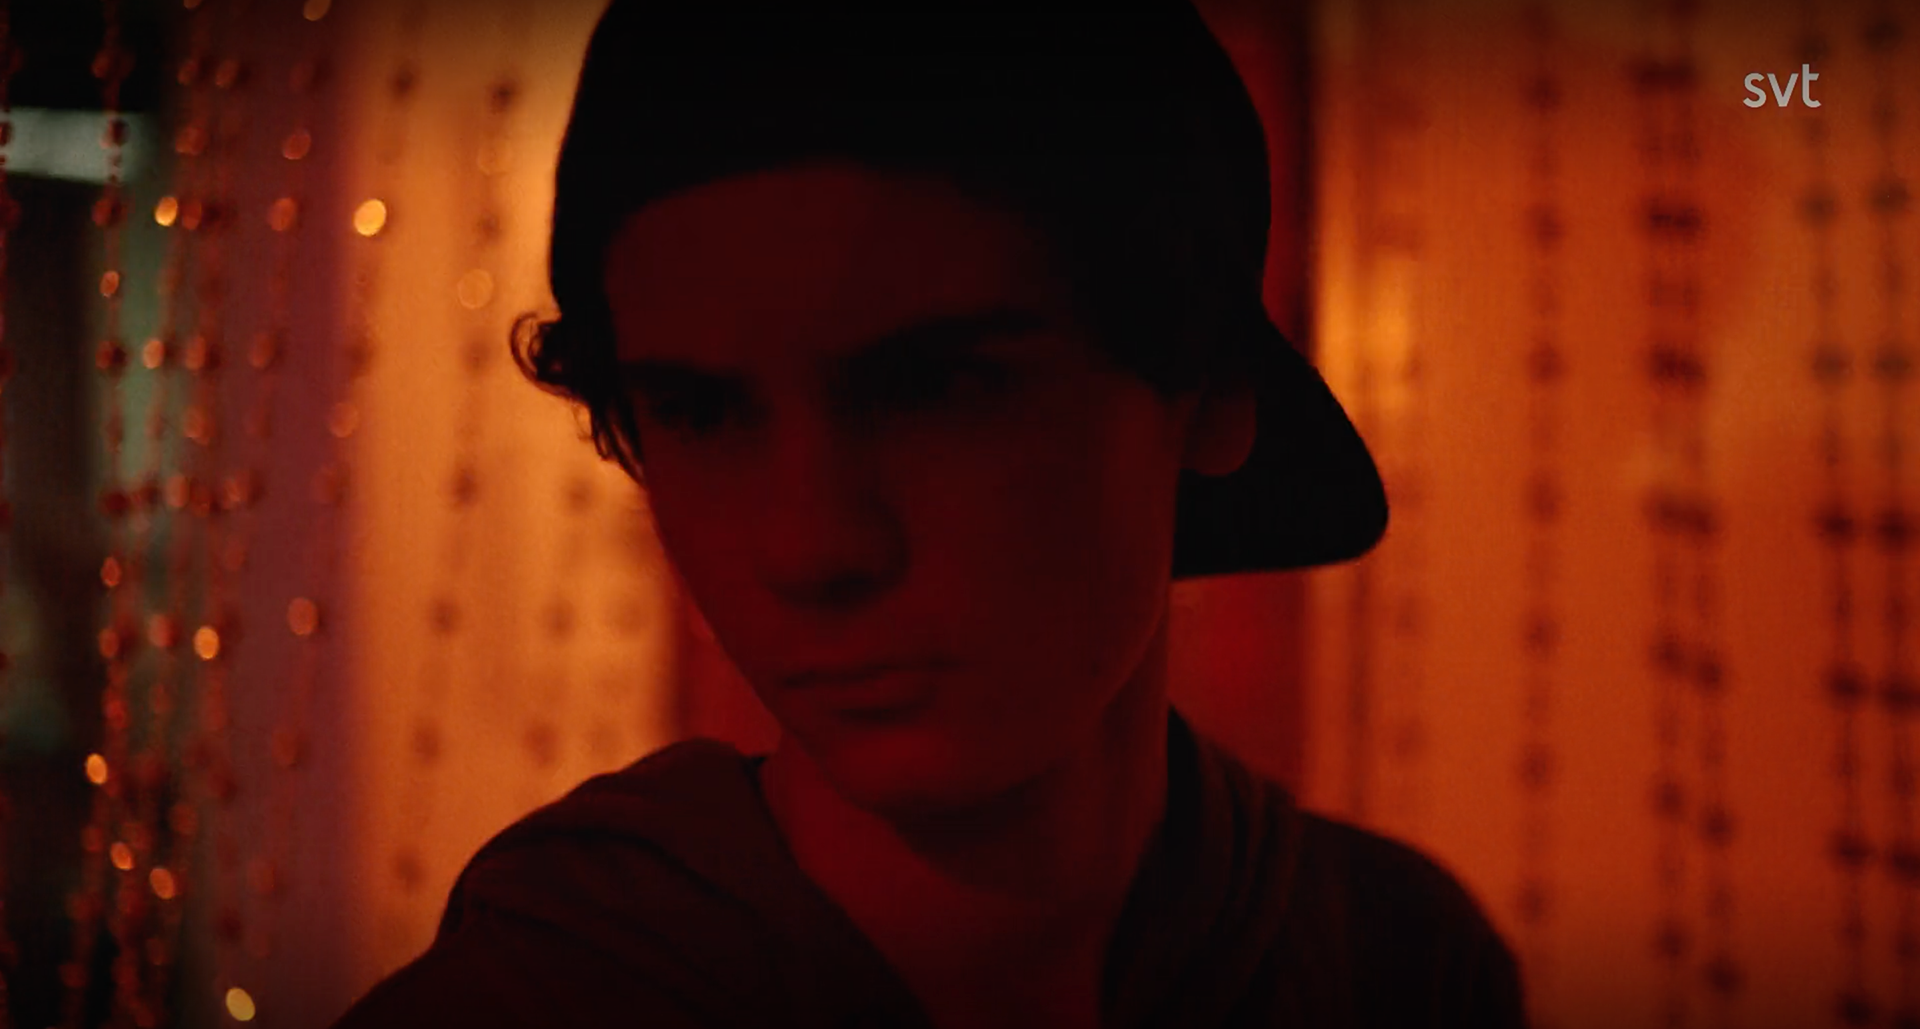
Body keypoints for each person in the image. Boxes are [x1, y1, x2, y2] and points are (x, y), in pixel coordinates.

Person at [331, 3, 1528, 1027]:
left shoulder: (1396, 965)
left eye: (938, 388)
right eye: (701, 413)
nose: (810, 545)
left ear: (1204, 386)